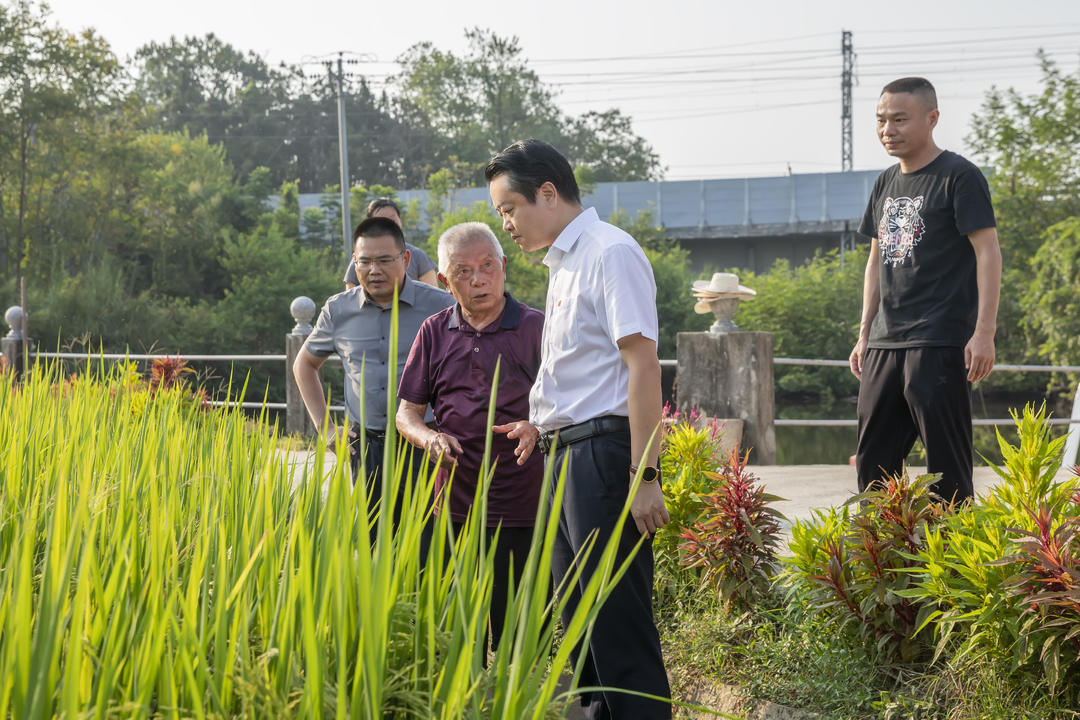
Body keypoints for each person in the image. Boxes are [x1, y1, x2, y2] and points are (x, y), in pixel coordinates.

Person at [486, 139, 671, 720]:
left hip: (604, 459)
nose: (507, 224)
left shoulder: (609, 252)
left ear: (548, 192)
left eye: (510, 208)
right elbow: (582, 373)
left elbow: (642, 366)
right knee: (580, 626)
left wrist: (646, 475)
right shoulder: (563, 263)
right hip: (566, 456)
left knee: (616, 623)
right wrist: (538, 425)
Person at [849, 77, 1002, 503]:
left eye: (900, 119)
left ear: (932, 118)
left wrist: (984, 331)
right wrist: (864, 334)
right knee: (873, 465)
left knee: (946, 471)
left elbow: (988, 251)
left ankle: (950, 566)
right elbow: (875, 263)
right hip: (884, 343)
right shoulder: (883, 184)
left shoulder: (959, 177)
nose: (887, 130)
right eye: (881, 120)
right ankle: (881, 560)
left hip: (938, 341)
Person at [396, 221, 545, 652]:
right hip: (455, 507)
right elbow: (407, 413)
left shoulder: (537, 329)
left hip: (524, 506)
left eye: (487, 267)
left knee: (521, 633)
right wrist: (429, 438)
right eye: (463, 271)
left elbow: (569, 405)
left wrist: (536, 426)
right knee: (461, 632)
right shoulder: (433, 332)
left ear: (504, 266)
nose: (478, 279)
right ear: (444, 281)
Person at [294, 216, 454, 528]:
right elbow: (304, 365)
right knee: (375, 542)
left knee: (429, 543)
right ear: (354, 262)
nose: (373, 270)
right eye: (364, 261)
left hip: (426, 443)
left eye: (384, 260)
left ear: (405, 259)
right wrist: (325, 428)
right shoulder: (339, 310)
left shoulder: (440, 306)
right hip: (366, 446)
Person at [343, 197, 439, 289]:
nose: (388, 226)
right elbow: (351, 297)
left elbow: (432, 296)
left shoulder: (418, 256)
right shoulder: (359, 259)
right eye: (381, 222)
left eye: (392, 220)